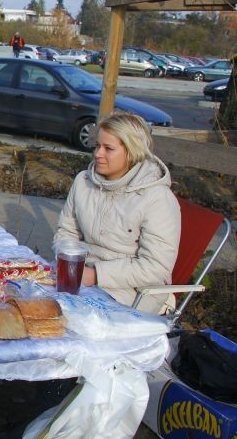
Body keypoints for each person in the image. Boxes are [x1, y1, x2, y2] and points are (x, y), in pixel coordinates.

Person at [54, 111, 181, 313]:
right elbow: (67, 230)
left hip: (133, 291)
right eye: (97, 145)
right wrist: (67, 262)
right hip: (82, 277)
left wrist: (95, 275)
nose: (98, 154)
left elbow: (155, 268)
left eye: (108, 148)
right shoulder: (83, 182)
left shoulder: (157, 199)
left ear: (132, 152)